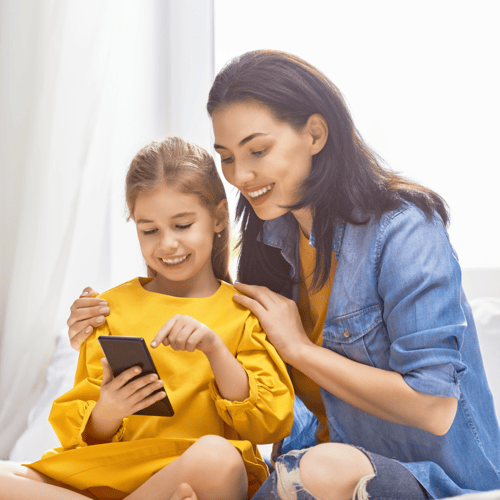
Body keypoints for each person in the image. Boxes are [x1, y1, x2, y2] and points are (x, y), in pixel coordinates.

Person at [65, 50, 500, 500]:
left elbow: (435, 408)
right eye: (227, 157)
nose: (241, 175)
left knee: (319, 468)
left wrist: (299, 349)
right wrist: (105, 318)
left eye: (258, 150)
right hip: (299, 468)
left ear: (315, 133)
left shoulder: (404, 229)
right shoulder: (270, 231)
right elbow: (222, 325)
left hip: (426, 475)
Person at [0, 136, 295, 500]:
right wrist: (109, 410)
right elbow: (85, 433)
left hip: (195, 471)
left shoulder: (243, 311)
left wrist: (215, 349)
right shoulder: (110, 308)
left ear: (219, 217)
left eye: (182, 225)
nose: (166, 243)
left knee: (220, 458)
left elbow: (268, 422)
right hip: (112, 471)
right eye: (149, 230)